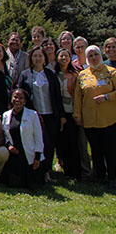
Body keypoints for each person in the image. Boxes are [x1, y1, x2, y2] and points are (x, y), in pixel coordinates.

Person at [17, 46, 63, 181]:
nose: (37, 59)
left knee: (49, 144)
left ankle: (47, 170)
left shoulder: (50, 74)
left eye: (40, 56)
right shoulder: (25, 74)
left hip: (50, 114)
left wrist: (61, 116)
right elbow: (20, 95)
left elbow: (57, 96)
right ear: (31, 59)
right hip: (34, 116)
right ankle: (36, 169)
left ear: (45, 58)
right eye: (35, 56)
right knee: (37, 143)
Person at [73, 45, 116, 188]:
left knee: (110, 149)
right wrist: (77, 115)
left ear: (100, 55)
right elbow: (78, 97)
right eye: (90, 56)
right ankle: (100, 176)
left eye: (95, 54)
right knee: (96, 150)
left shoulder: (112, 72)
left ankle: (112, 177)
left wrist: (107, 97)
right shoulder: (82, 75)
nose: (93, 58)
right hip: (90, 119)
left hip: (109, 118)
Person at [2, 88, 44, 188]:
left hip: (30, 155)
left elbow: (38, 137)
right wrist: (9, 146)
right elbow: (4, 135)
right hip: (15, 154)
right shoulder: (6, 115)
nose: (17, 100)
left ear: (25, 101)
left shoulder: (33, 115)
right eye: (15, 97)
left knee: (32, 184)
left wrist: (37, 157)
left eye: (21, 98)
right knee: (14, 183)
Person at [55, 48, 81, 179]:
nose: (63, 58)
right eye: (61, 56)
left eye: (66, 56)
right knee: (61, 143)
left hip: (71, 111)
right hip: (59, 113)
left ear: (70, 58)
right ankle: (64, 169)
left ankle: (75, 171)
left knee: (73, 143)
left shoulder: (75, 75)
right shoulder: (53, 74)